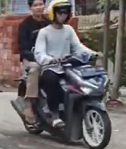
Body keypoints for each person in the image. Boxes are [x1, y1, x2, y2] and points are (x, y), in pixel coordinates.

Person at [34, 0, 98, 128]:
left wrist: (92, 54)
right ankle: (54, 114)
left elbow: (78, 46)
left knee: (80, 82)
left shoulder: (68, 30)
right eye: (60, 13)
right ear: (53, 14)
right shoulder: (44, 32)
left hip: (67, 66)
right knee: (52, 81)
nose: (63, 15)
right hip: (50, 68)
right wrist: (49, 59)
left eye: (66, 13)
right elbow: (39, 53)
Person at [15, 0, 49, 123]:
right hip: (31, 59)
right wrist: (37, 57)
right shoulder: (25, 25)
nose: (39, 7)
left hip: (49, 59)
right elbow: (23, 49)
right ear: (30, 8)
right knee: (35, 69)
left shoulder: (49, 23)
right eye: (36, 5)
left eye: (41, 4)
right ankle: (29, 103)